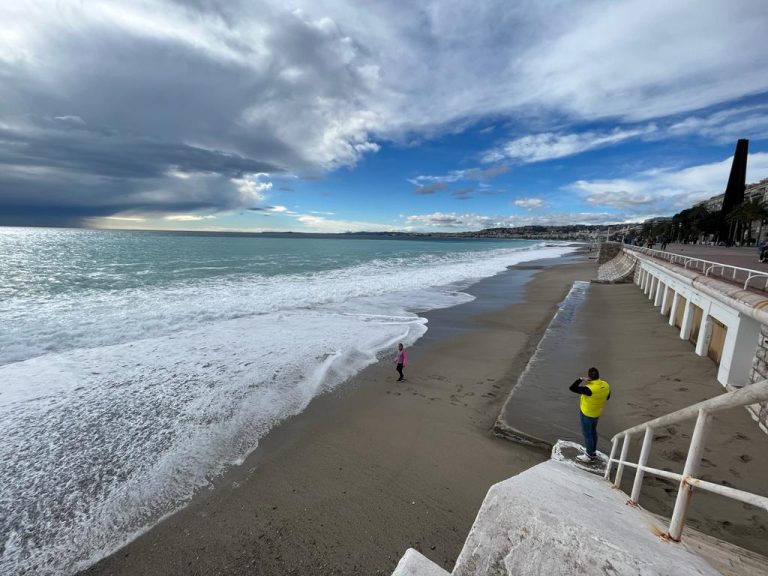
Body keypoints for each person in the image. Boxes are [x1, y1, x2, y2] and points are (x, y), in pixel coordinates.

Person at [569, 367, 611, 463]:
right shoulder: (606, 385)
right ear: (598, 375)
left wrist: (580, 379)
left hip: (587, 413)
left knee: (587, 434)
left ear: (589, 377)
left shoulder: (589, 389)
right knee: (593, 432)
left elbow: (572, 388)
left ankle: (588, 455)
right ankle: (593, 451)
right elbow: (607, 397)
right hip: (597, 413)